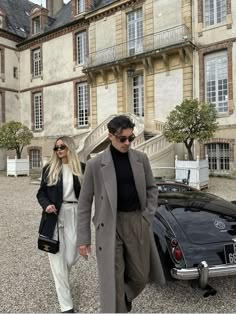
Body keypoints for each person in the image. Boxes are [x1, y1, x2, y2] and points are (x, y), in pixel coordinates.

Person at [77, 115, 165, 313]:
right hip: (109, 225)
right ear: (110, 136)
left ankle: (122, 296)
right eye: (122, 138)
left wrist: (146, 216)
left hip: (136, 221)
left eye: (130, 138)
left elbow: (152, 189)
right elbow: (84, 203)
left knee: (141, 276)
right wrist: (83, 239)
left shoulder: (141, 159)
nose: (127, 143)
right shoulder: (95, 164)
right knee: (114, 277)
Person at [37, 136, 81, 313]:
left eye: (62, 147)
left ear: (69, 147)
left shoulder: (81, 169)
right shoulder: (50, 169)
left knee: (71, 257)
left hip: (75, 214)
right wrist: (46, 204)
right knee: (57, 260)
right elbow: (41, 193)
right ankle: (66, 305)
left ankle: (63, 281)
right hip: (54, 216)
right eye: (56, 148)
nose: (59, 150)